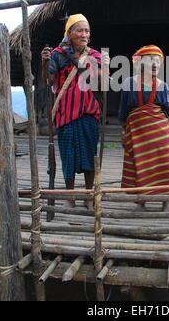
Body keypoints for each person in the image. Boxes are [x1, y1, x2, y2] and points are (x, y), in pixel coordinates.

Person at [41, 13, 108, 209]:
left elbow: (103, 82)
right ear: (69, 33)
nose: (84, 34)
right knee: (68, 155)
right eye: (79, 30)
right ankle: (70, 196)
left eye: (87, 31)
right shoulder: (57, 54)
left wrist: (100, 66)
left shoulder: (96, 55)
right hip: (66, 113)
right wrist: (45, 63)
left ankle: (88, 196)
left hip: (89, 112)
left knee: (89, 153)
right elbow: (50, 81)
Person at [118, 45, 169, 212]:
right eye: (151, 60)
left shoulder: (163, 86)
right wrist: (124, 132)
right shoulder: (128, 83)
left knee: (165, 165)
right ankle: (141, 202)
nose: (155, 64)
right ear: (140, 64)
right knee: (139, 165)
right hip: (137, 132)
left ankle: (166, 203)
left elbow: (168, 111)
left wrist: (168, 130)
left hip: (160, 134)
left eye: (158, 61)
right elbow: (123, 110)